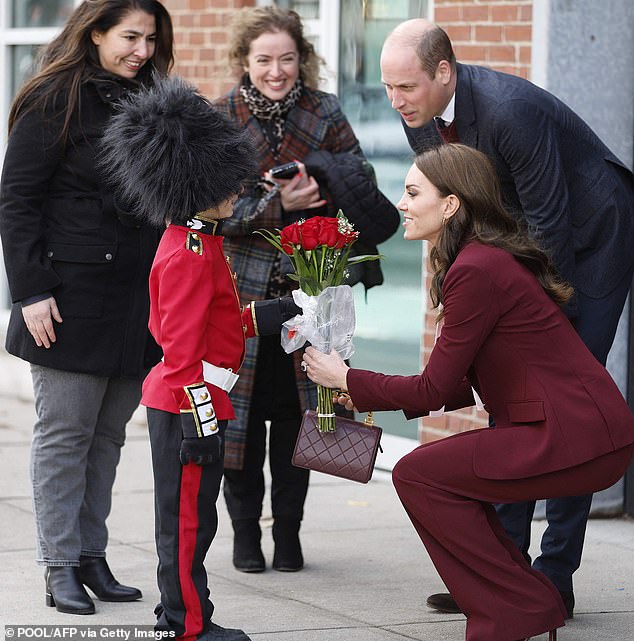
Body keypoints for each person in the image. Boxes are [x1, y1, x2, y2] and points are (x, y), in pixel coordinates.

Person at [302, 143, 634, 641]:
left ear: (451, 204)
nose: (403, 203)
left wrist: (346, 378)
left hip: (573, 435)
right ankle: (525, 600)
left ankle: (517, 607)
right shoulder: (480, 259)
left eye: (413, 193)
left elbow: (432, 387)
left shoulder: (476, 268)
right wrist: (360, 390)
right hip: (584, 432)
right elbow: (453, 383)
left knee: (418, 473)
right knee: (442, 478)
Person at [378, 18, 634, 618]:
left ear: (444, 72)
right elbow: (459, 213)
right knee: (510, 404)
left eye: (406, 87)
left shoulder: (511, 111)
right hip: (526, 250)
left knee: (570, 411)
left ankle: (553, 578)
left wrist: (527, 329)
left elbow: (550, 224)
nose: (395, 101)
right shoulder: (421, 115)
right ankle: (502, 574)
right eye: (389, 88)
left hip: (593, 240)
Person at [100, 74, 305, 641]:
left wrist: (263, 316)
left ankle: (178, 614)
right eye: (231, 186)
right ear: (200, 186)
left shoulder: (197, 241)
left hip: (192, 398)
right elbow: (185, 351)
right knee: (189, 523)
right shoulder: (191, 252)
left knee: (191, 519)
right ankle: (188, 624)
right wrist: (202, 421)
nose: (238, 194)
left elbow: (199, 325)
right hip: (192, 404)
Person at [0, 0, 174, 616]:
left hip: (136, 298)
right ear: (95, 32)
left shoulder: (155, 102)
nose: (141, 51)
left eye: (151, 39)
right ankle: (59, 563)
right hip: (67, 297)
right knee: (65, 435)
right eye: (130, 36)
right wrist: (30, 292)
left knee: (106, 437)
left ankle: (91, 555)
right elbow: (17, 201)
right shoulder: (55, 99)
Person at [214, 4, 400, 574]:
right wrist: (276, 204)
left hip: (310, 294)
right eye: (264, 59)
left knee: (300, 420)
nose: (276, 71)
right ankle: (247, 536)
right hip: (241, 298)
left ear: (303, 59)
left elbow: (362, 183)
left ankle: (289, 536)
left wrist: (322, 179)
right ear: (244, 60)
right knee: (237, 429)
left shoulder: (325, 111)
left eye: (287, 59)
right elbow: (206, 210)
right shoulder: (220, 117)